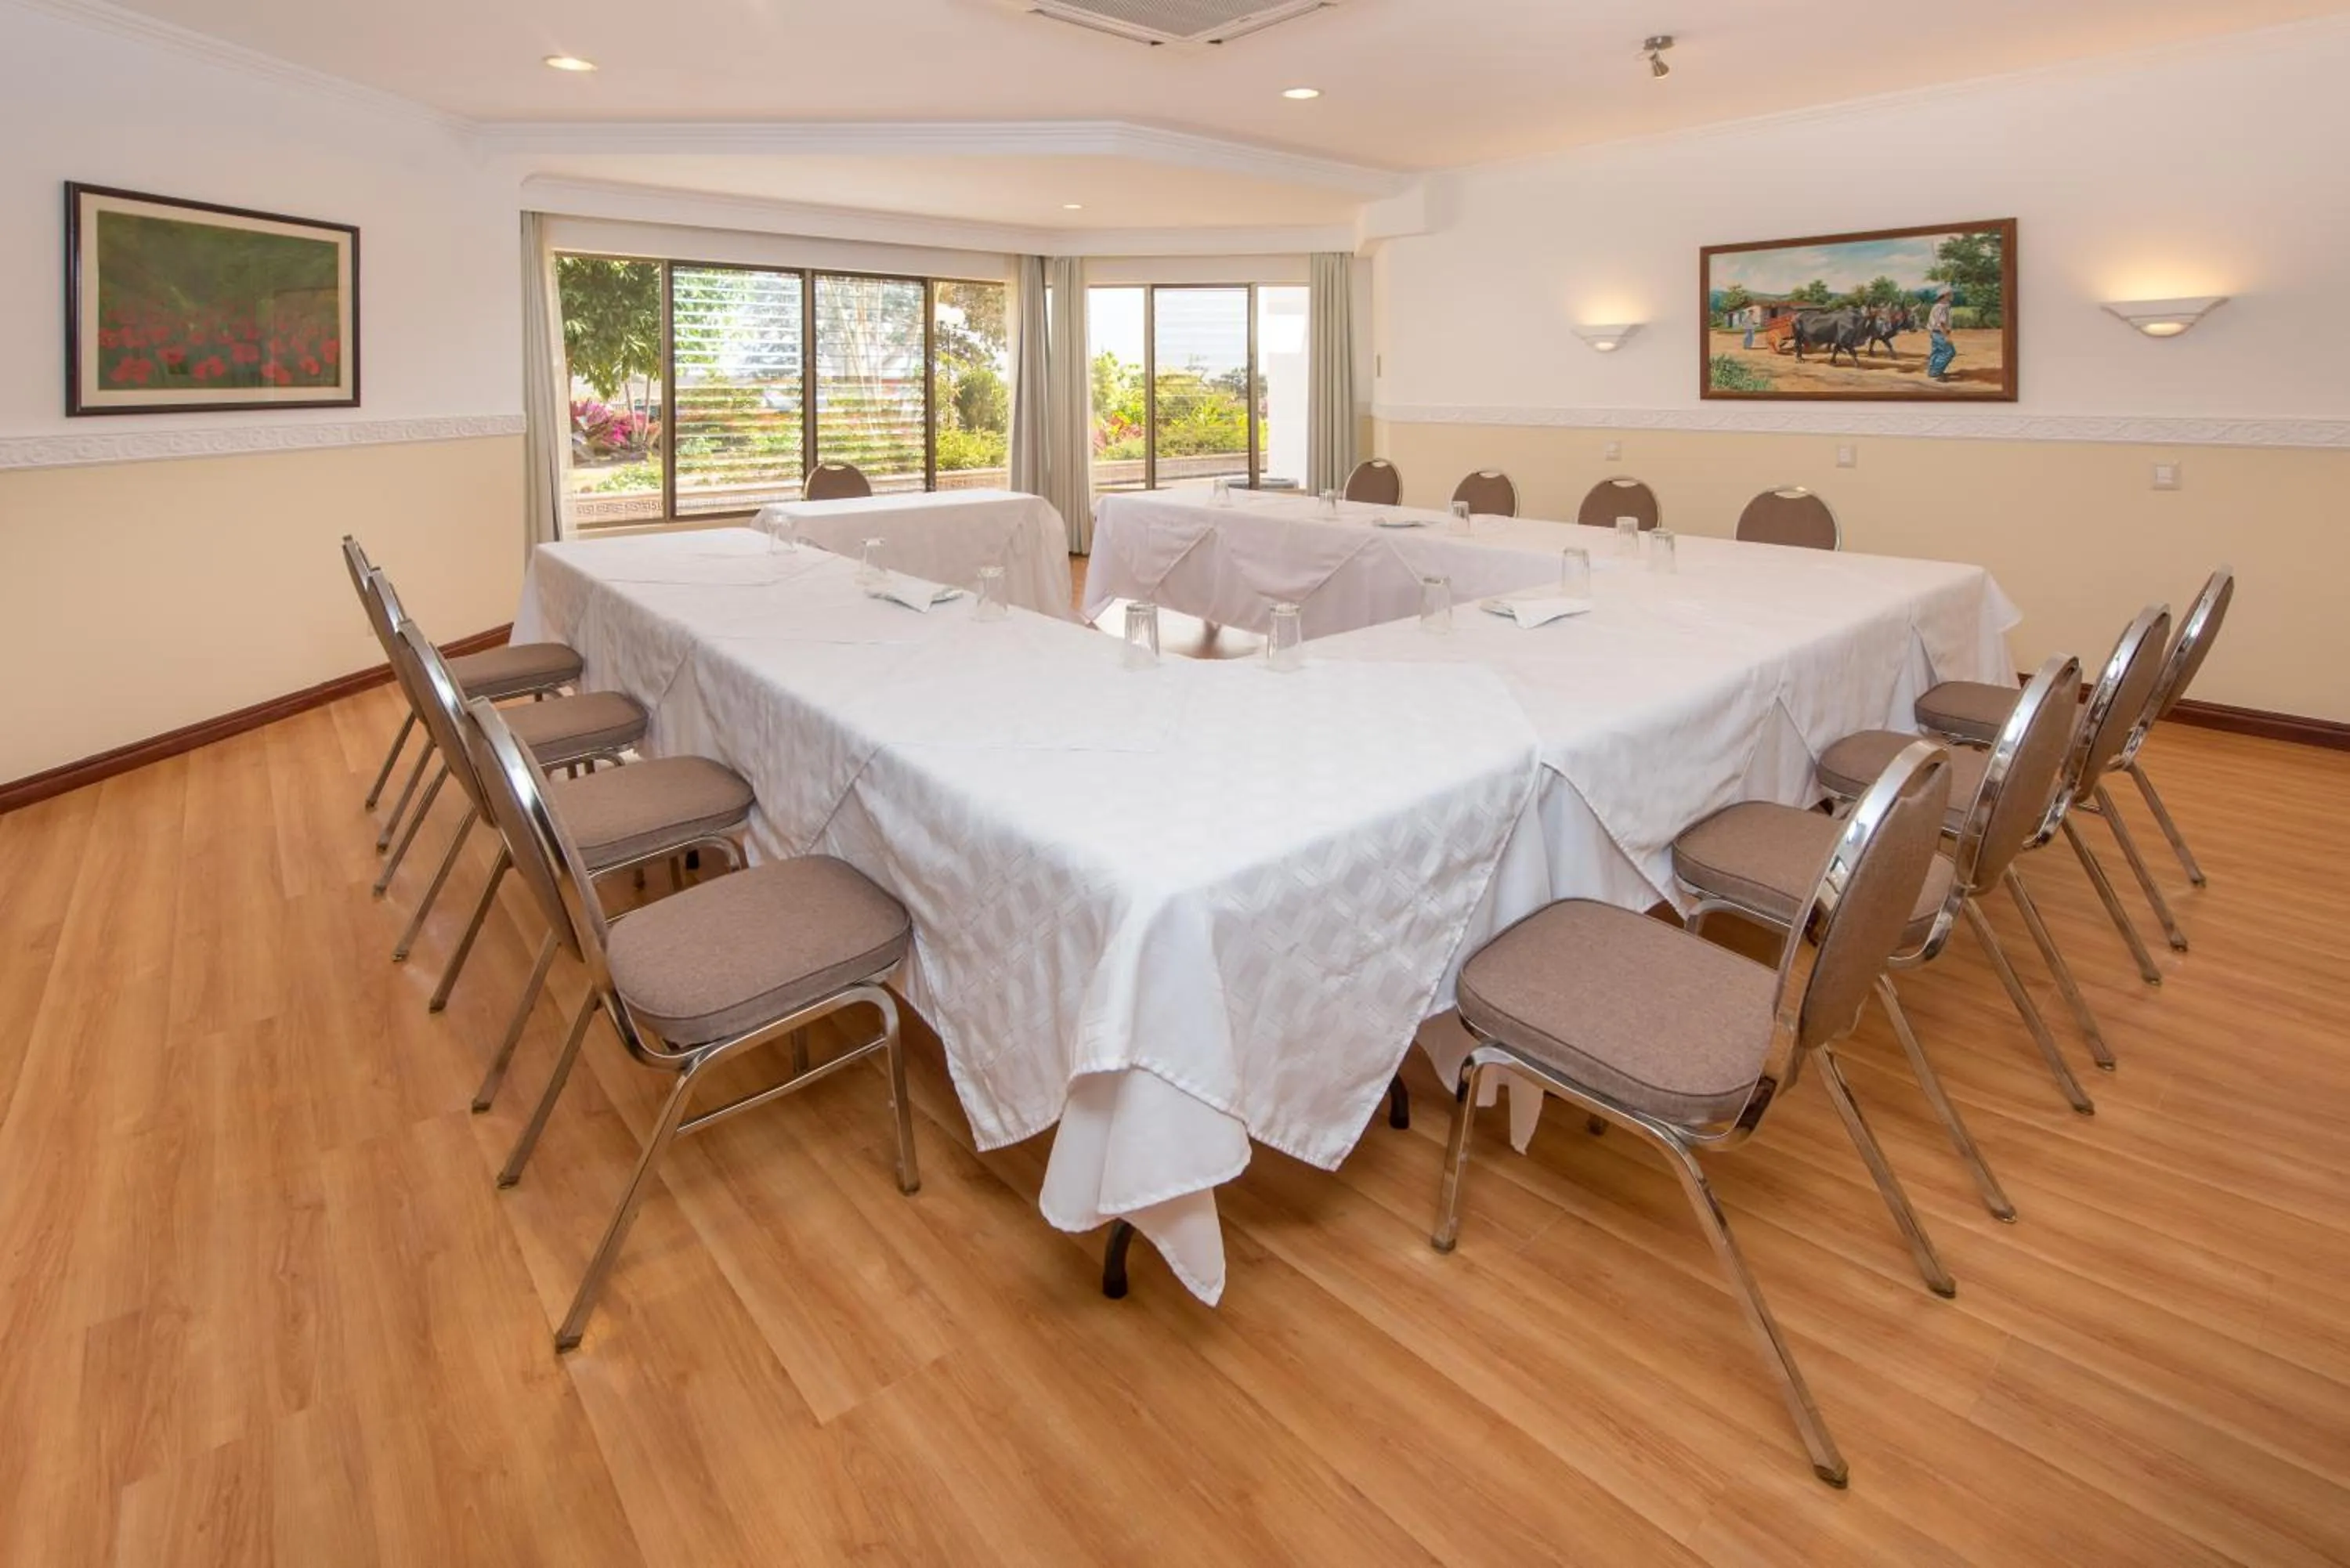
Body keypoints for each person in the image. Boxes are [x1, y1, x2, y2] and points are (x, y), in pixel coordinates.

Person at [1927, 284, 1957, 381]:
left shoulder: (1937, 306)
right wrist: (1946, 336)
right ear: (1945, 295)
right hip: (1940, 333)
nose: (1953, 295)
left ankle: (1932, 371)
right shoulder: (1943, 307)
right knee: (1950, 352)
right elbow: (1942, 323)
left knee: (1937, 351)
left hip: (1935, 332)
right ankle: (1937, 372)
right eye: (1951, 294)